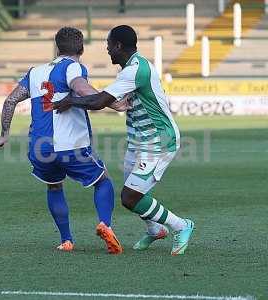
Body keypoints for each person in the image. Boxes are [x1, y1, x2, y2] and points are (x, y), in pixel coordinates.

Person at [53, 25, 194, 256]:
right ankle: (155, 229)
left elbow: (99, 102)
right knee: (135, 192)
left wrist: (71, 101)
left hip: (159, 141)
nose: (107, 49)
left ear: (118, 45)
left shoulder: (135, 70)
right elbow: (111, 100)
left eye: (109, 44)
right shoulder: (130, 69)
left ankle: (181, 225)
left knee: (130, 197)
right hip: (138, 141)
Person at [0, 27, 124, 254]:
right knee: (103, 180)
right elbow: (81, 89)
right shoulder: (73, 67)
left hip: (40, 148)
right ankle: (105, 224)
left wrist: (4, 134)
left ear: (57, 47)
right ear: (81, 48)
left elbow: (10, 101)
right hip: (70, 145)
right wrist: (113, 103)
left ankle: (66, 240)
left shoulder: (34, 72)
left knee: (54, 186)